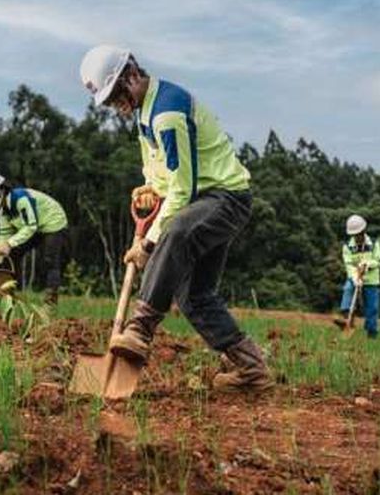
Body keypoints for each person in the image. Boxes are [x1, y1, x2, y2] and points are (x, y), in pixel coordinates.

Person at [78, 44, 273, 394]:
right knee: (194, 294)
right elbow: (162, 173)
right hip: (202, 200)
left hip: (225, 198)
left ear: (132, 75)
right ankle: (251, 370)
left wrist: (149, 242)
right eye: (108, 102)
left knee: (177, 231)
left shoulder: (167, 113)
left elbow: (182, 192)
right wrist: (150, 188)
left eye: (115, 96)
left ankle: (140, 329)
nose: (114, 106)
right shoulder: (143, 110)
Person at [0, 171, 68, 305]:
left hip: (52, 221)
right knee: (10, 253)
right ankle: (9, 293)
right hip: (33, 226)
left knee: (50, 260)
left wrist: (9, 244)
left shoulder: (20, 199)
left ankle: (51, 299)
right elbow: (4, 233)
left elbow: (31, 226)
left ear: (1, 190)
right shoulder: (2, 211)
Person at [334, 214, 380, 337]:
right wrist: (354, 277)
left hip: (371, 281)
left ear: (364, 231)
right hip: (355, 277)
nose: (357, 237)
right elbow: (348, 264)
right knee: (347, 289)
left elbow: (378, 261)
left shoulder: (374, 243)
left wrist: (367, 264)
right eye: (354, 235)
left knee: (372, 309)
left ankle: (371, 333)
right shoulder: (347, 247)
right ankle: (347, 318)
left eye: (359, 234)